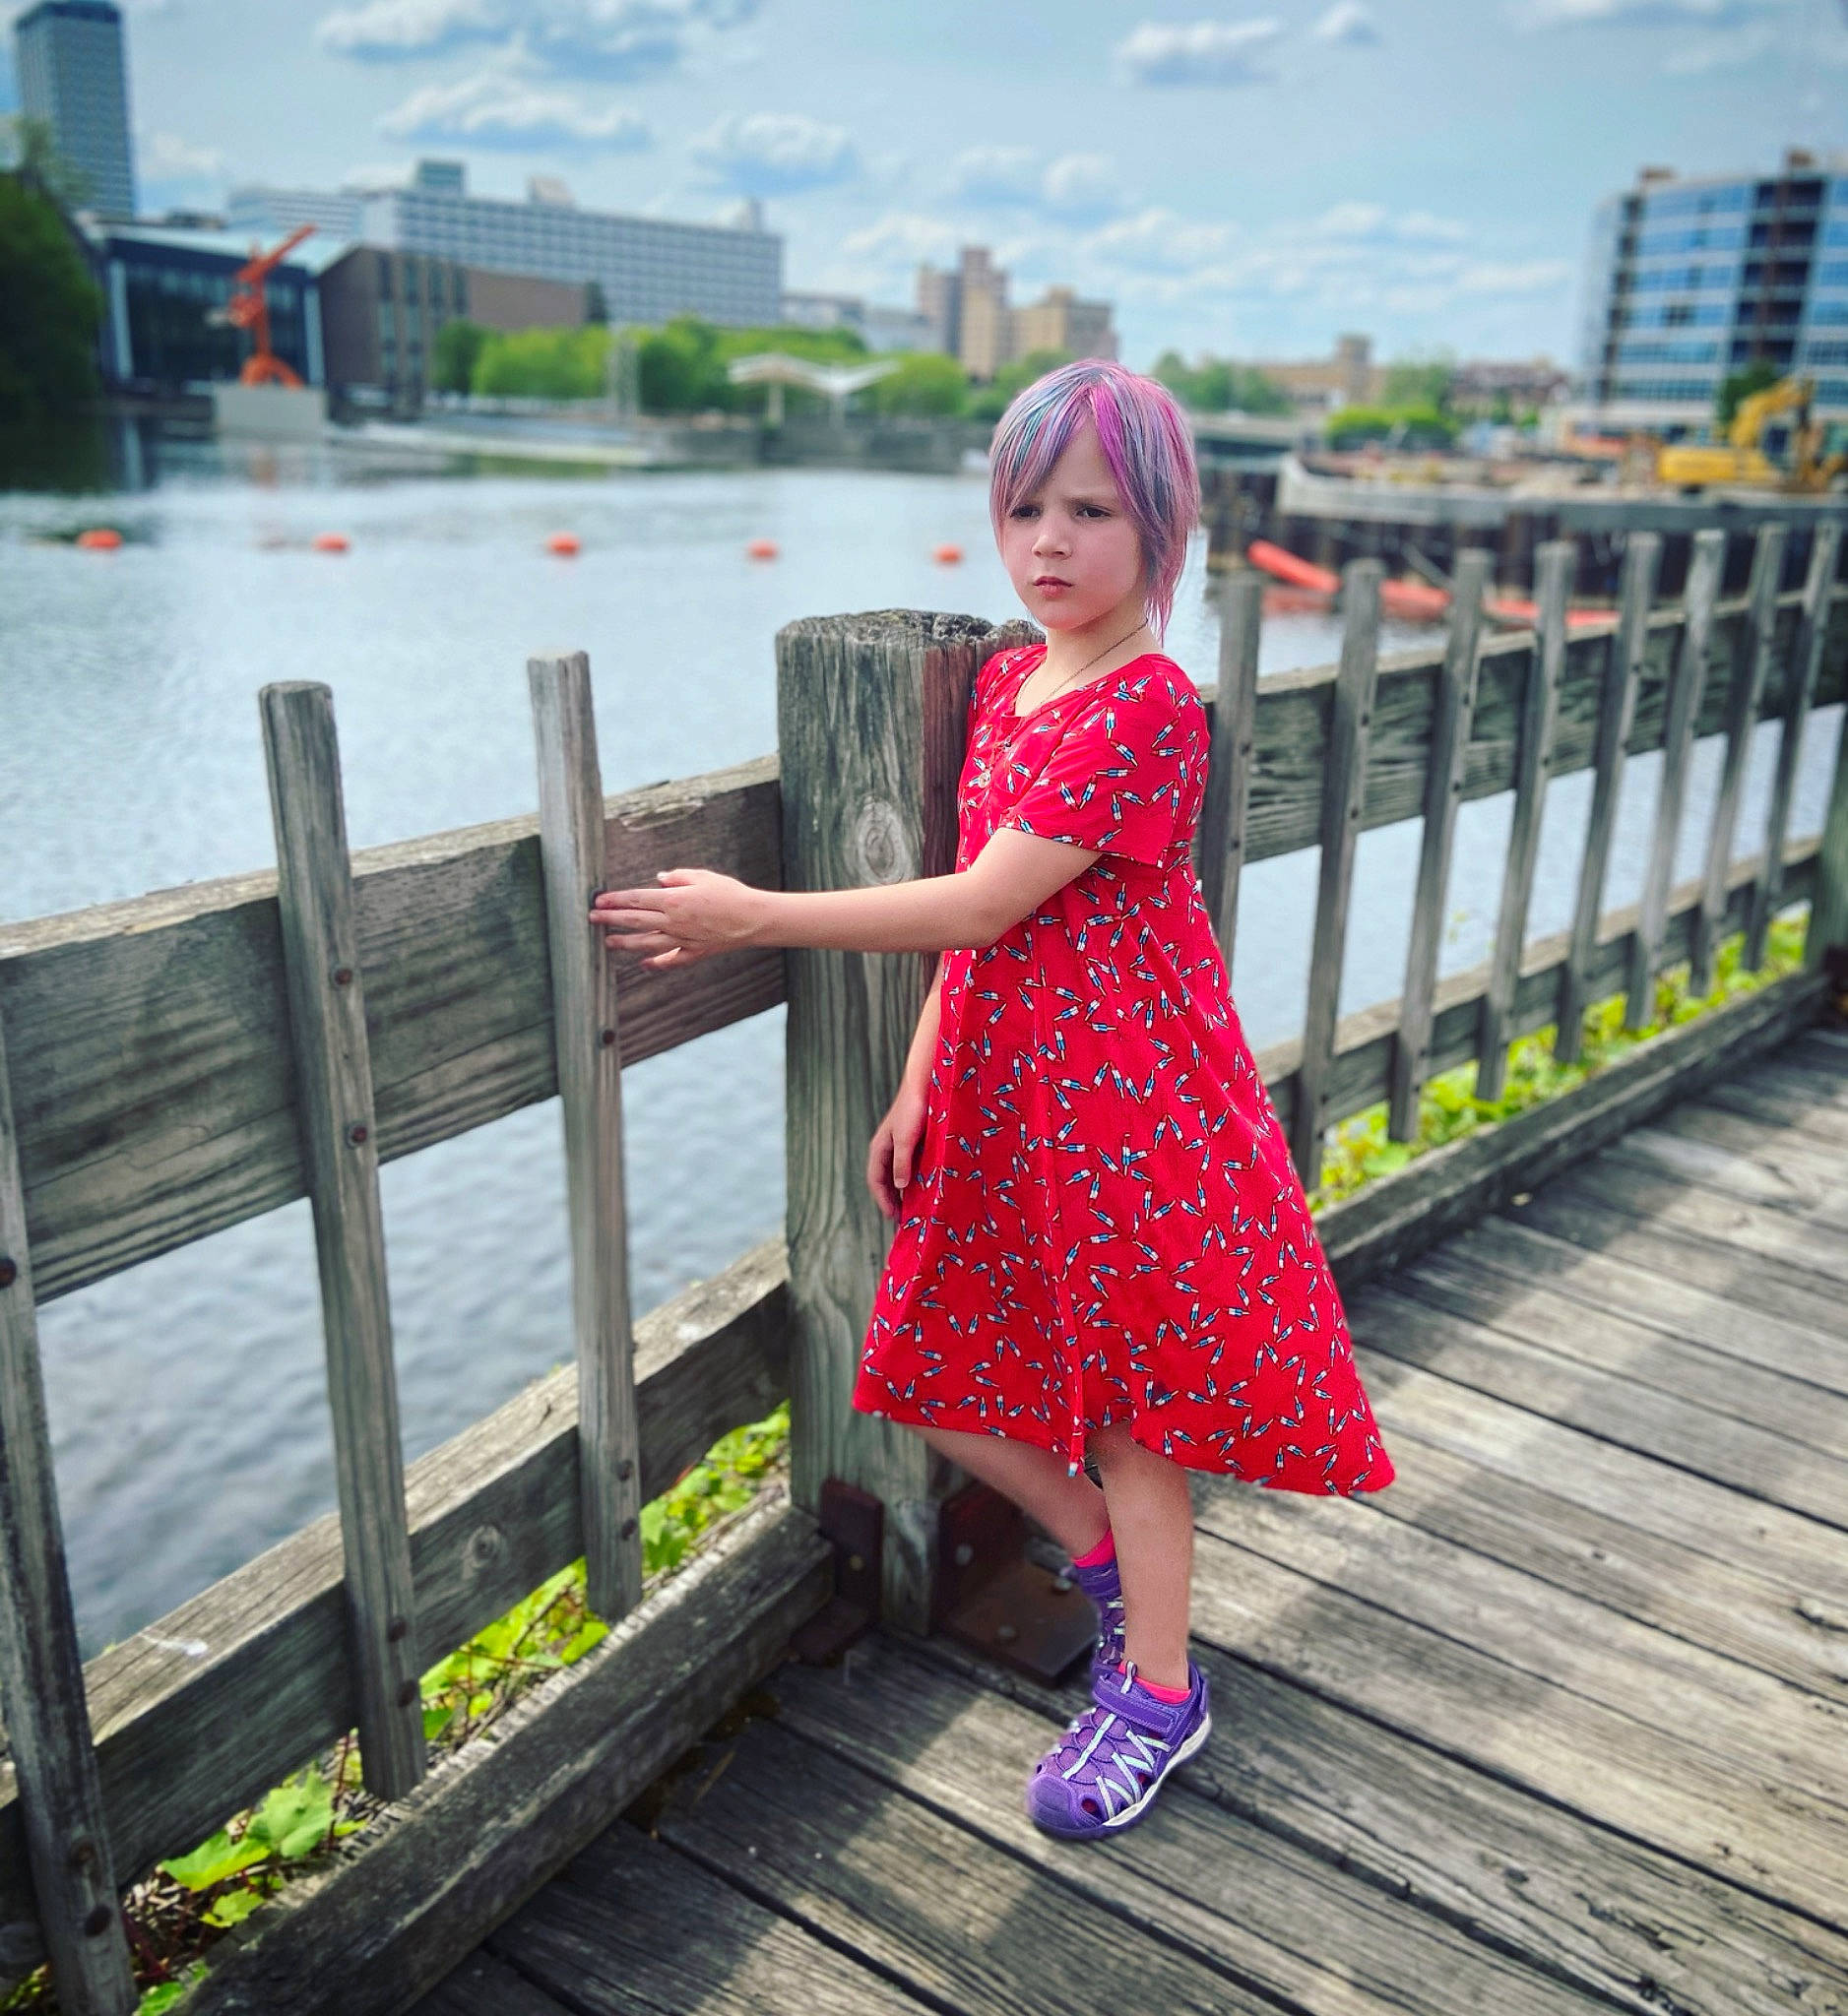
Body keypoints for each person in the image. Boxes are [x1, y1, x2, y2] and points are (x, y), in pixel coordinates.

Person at [590, 357, 1394, 1841]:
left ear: (1162, 524)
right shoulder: (1013, 683)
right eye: (1024, 507)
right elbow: (989, 941)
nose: (1048, 542)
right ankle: (1093, 1556)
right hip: (1009, 1100)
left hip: (1136, 1114)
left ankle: (1156, 1692)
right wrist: (913, 1081)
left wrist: (749, 917)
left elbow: (976, 904)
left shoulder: (1145, 709)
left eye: (1090, 509)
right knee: (917, 1362)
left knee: (1135, 1411)